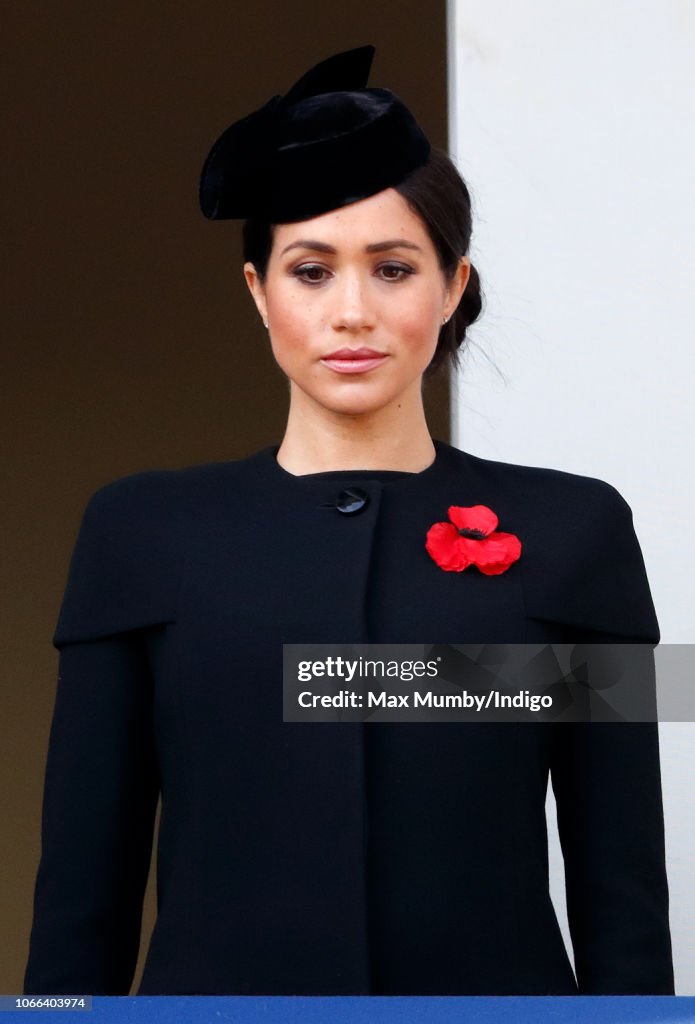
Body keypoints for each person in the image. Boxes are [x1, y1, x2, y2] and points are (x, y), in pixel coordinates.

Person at [24, 45, 674, 996]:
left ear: (453, 288)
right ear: (258, 292)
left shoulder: (577, 529)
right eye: (311, 270)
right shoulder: (141, 532)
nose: (353, 311)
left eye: (394, 267)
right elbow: (83, 892)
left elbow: (622, 890)